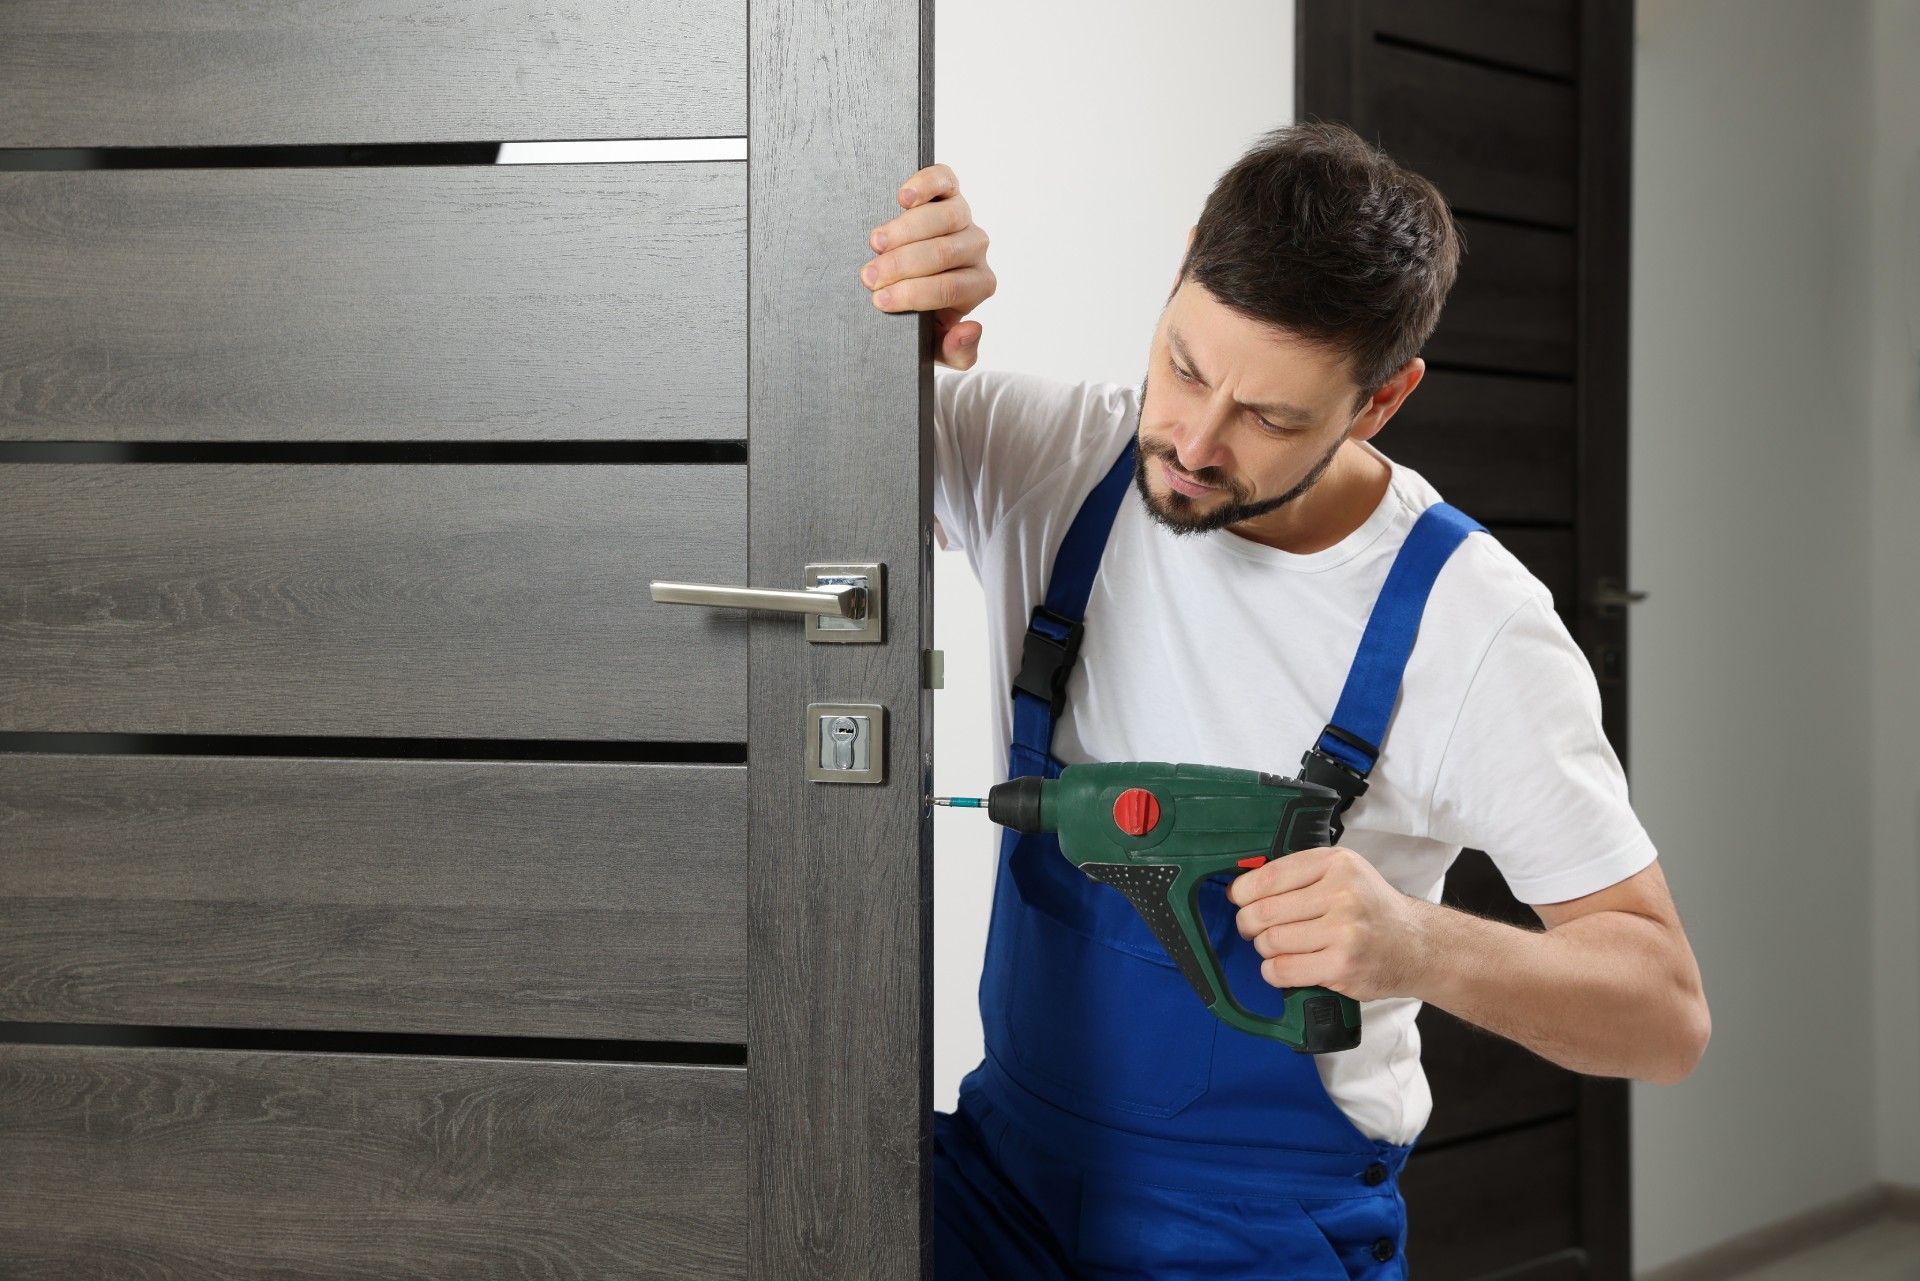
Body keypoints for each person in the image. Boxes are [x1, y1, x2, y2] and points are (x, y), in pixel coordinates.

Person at [859, 122, 1710, 1280]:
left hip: (1254, 1233)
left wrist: (1415, 946)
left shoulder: (1472, 628)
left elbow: (1663, 1016)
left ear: (1381, 401)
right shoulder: (1045, 461)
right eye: (1186, 367)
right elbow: (761, 428)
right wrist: (891, 303)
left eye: (1272, 416)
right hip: (999, 1184)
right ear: (1180, 273)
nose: (1195, 444)